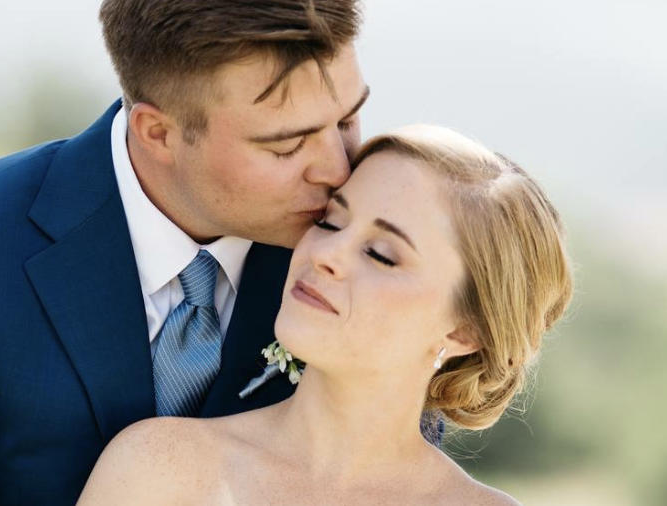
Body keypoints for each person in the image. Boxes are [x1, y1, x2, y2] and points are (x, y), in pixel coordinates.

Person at [0, 1, 370, 503]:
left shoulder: (379, 259)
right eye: (286, 145)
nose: (338, 171)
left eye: (347, 121)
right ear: (158, 133)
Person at [77, 125, 574, 505]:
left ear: (466, 330)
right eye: (331, 221)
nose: (325, 253)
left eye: (381, 253)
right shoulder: (161, 471)